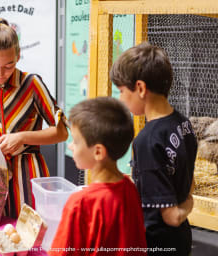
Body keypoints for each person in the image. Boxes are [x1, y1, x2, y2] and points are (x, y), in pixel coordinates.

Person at [0, 18, 68, 218]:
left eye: (8, 66)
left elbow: (61, 132)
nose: (0, 73)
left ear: (18, 56)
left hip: (29, 177)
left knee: (30, 238)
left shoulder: (32, 84)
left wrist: (22, 138)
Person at [110, 42, 197, 255]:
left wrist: (188, 204)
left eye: (121, 91)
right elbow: (188, 182)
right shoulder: (184, 124)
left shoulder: (147, 141)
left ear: (140, 88)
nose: (121, 99)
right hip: (181, 241)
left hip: (154, 243)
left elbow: (173, 217)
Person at [48, 97, 147, 256]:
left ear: (98, 152)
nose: (70, 146)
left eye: (75, 141)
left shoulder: (80, 203)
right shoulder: (130, 188)